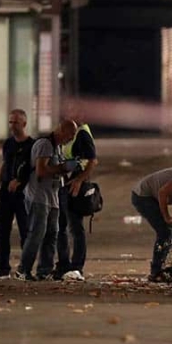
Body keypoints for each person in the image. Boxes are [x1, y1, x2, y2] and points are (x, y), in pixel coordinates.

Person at [17, 120, 78, 281]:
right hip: (38, 197)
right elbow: (41, 170)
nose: (71, 138)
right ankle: (23, 270)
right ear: (62, 130)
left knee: (52, 234)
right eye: (71, 134)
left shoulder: (57, 147)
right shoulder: (45, 144)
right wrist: (63, 168)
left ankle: (44, 270)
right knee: (36, 234)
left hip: (53, 197)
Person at [0, 109, 34, 279]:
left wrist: (21, 182)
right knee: (3, 230)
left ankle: (25, 268)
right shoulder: (8, 144)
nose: (12, 126)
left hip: (23, 194)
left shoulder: (32, 145)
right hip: (6, 192)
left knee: (25, 230)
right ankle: (3, 268)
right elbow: (4, 165)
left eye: (15, 122)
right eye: (10, 122)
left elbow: (34, 169)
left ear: (24, 123)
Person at [55, 120, 98, 281]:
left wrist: (79, 181)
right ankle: (64, 265)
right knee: (62, 227)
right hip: (66, 184)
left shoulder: (82, 133)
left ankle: (76, 266)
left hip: (75, 187)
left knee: (75, 227)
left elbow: (93, 161)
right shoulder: (75, 133)